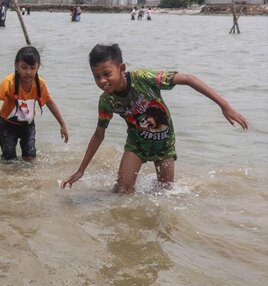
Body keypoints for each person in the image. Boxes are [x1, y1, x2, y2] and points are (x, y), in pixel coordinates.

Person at [60, 44, 248, 193]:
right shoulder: (106, 101)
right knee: (121, 191)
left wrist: (224, 105)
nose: (102, 81)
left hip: (164, 143)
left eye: (107, 74)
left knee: (166, 193)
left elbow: (189, 79)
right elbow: (99, 134)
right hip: (137, 144)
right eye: (96, 77)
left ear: (121, 68)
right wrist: (81, 170)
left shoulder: (145, 78)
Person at [0, 46, 68, 161]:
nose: (28, 72)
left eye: (32, 68)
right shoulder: (8, 82)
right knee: (9, 160)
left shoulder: (40, 84)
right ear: (16, 66)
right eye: (24, 67)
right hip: (8, 125)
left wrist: (62, 124)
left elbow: (50, 103)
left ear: (38, 67)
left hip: (28, 125)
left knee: (30, 158)